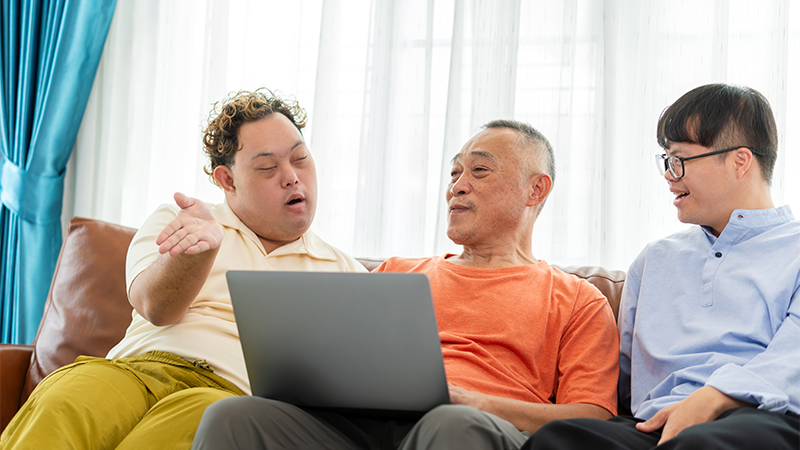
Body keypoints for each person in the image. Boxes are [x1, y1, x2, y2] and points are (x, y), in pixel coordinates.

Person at [191, 119, 620, 450]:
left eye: (480, 171)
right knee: (232, 416)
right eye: (454, 173)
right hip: (363, 428)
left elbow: (592, 417)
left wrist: (475, 402)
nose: (457, 186)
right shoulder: (399, 272)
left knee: (449, 423)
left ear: (535, 190)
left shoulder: (577, 297)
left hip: (476, 429)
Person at [0, 89, 366, 449]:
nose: (291, 176)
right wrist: (195, 256)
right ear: (227, 180)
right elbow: (154, 307)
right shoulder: (182, 223)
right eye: (268, 167)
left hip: (228, 394)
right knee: (65, 401)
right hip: (133, 369)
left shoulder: (344, 271)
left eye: (300, 159)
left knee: (191, 424)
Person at [523, 83, 800, 450]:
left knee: (706, 443)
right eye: (666, 161)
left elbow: (791, 358)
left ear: (740, 161)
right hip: (653, 424)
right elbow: (620, 377)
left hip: (761, 416)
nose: (670, 175)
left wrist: (714, 396)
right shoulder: (655, 259)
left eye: (680, 160)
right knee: (558, 439)